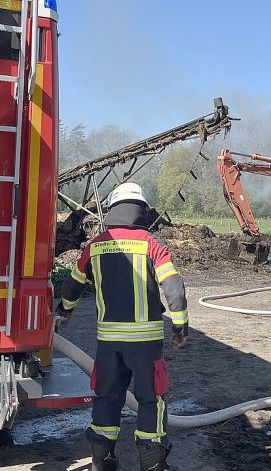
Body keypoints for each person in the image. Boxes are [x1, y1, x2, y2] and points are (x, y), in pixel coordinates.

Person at [57, 182, 188, 471]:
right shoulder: (152, 244)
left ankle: (102, 463)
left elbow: (72, 284)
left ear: (113, 210)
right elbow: (174, 290)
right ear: (141, 210)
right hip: (145, 346)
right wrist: (180, 328)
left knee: (107, 398)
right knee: (151, 401)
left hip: (109, 346)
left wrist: (65, 311)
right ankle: (152, 465)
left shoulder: (96, 245)